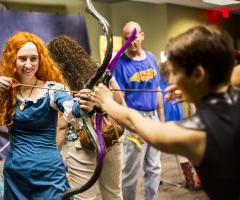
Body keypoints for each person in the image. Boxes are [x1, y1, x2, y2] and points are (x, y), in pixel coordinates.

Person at [93, 25, 240, 200]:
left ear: (198, 75)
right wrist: (199, 89)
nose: (170, 80)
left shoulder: (198, 131)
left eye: (175, 73)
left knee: (153, 167)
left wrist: (107, 102)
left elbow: (134, 122)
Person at [0, 32, 94, 199]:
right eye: (22, 58)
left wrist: (84, 105)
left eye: (33, 58)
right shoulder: (4, 89)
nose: (28, 64)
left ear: (40, 59)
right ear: (12, 59)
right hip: (16, 175)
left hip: (49, 175)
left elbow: (72, 108)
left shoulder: (53, 90)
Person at [47, 35, 124, 200]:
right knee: (114, 195)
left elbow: (61, 125)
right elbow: (119, 99)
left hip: (80, 143)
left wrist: (53, 159)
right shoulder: (97, 68)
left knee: (84, 198)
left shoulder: (59, 81)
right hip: (109, 136)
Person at [113, 21, 165, 200]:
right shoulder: (120, 64)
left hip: (153, 118)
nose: (131, 42)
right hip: (134, 119)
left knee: (154, 167)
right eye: (127, 39)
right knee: (131, 171)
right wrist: (132, 126)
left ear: (142, 35)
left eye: (134, 38)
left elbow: (157, 89)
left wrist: (162, 120)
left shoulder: (150, 57)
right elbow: (120, 98)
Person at [159, 62, 200, 190]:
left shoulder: (176, 81)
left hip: (174, 119)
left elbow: (191, 103)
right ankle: (157, 177)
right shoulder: (162, 81)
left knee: (181, 149)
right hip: (169, 119)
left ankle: (190, 180)